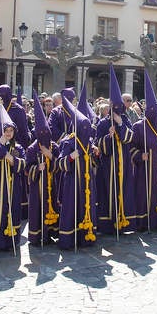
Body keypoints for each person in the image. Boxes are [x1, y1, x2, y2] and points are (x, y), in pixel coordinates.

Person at [129, 70, 157, 231]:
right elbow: (131, 147)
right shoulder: (139, 127)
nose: (156, 114)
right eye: (153, 111)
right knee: (143, 194)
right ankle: (143, 222)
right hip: (145, 169)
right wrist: (140, 155)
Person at [95, 65, 133, 235]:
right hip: (108, 164)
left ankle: (124, 220)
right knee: (108, 191)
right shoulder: (103, 123)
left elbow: (129, 138)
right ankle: (108, 223)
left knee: (124, 190)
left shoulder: (125, 120)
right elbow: (99, 145)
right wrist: (109, 137)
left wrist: (119, 124)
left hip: (124, 162)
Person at [55, 95, 97, 249]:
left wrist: (95, 154)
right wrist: (72, 157)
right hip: (73, 182)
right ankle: (70, 238)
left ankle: (87, 236)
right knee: (72, 208)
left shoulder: (89, 142)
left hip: (87, 182)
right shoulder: (69, 142)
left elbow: (94, 162)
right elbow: (60, 163)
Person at [0, 107, 26, 252]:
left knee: (13, 209)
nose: (8, 133)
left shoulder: (19, 148)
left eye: (11, 131)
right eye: (6, 131)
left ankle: (11, 241)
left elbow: (23, 164)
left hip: (14, 186)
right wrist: (0, 146)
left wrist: (11, 158)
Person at [25, 90, 60, 245]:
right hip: (38, 187)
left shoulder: (54, 146)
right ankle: (39, 235)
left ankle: (52, 232)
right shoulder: (32, 149)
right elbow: (27, 168)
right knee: (38, 209)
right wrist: (36, 169)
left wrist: (50, 156)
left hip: (53, 186)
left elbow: (60, 164)